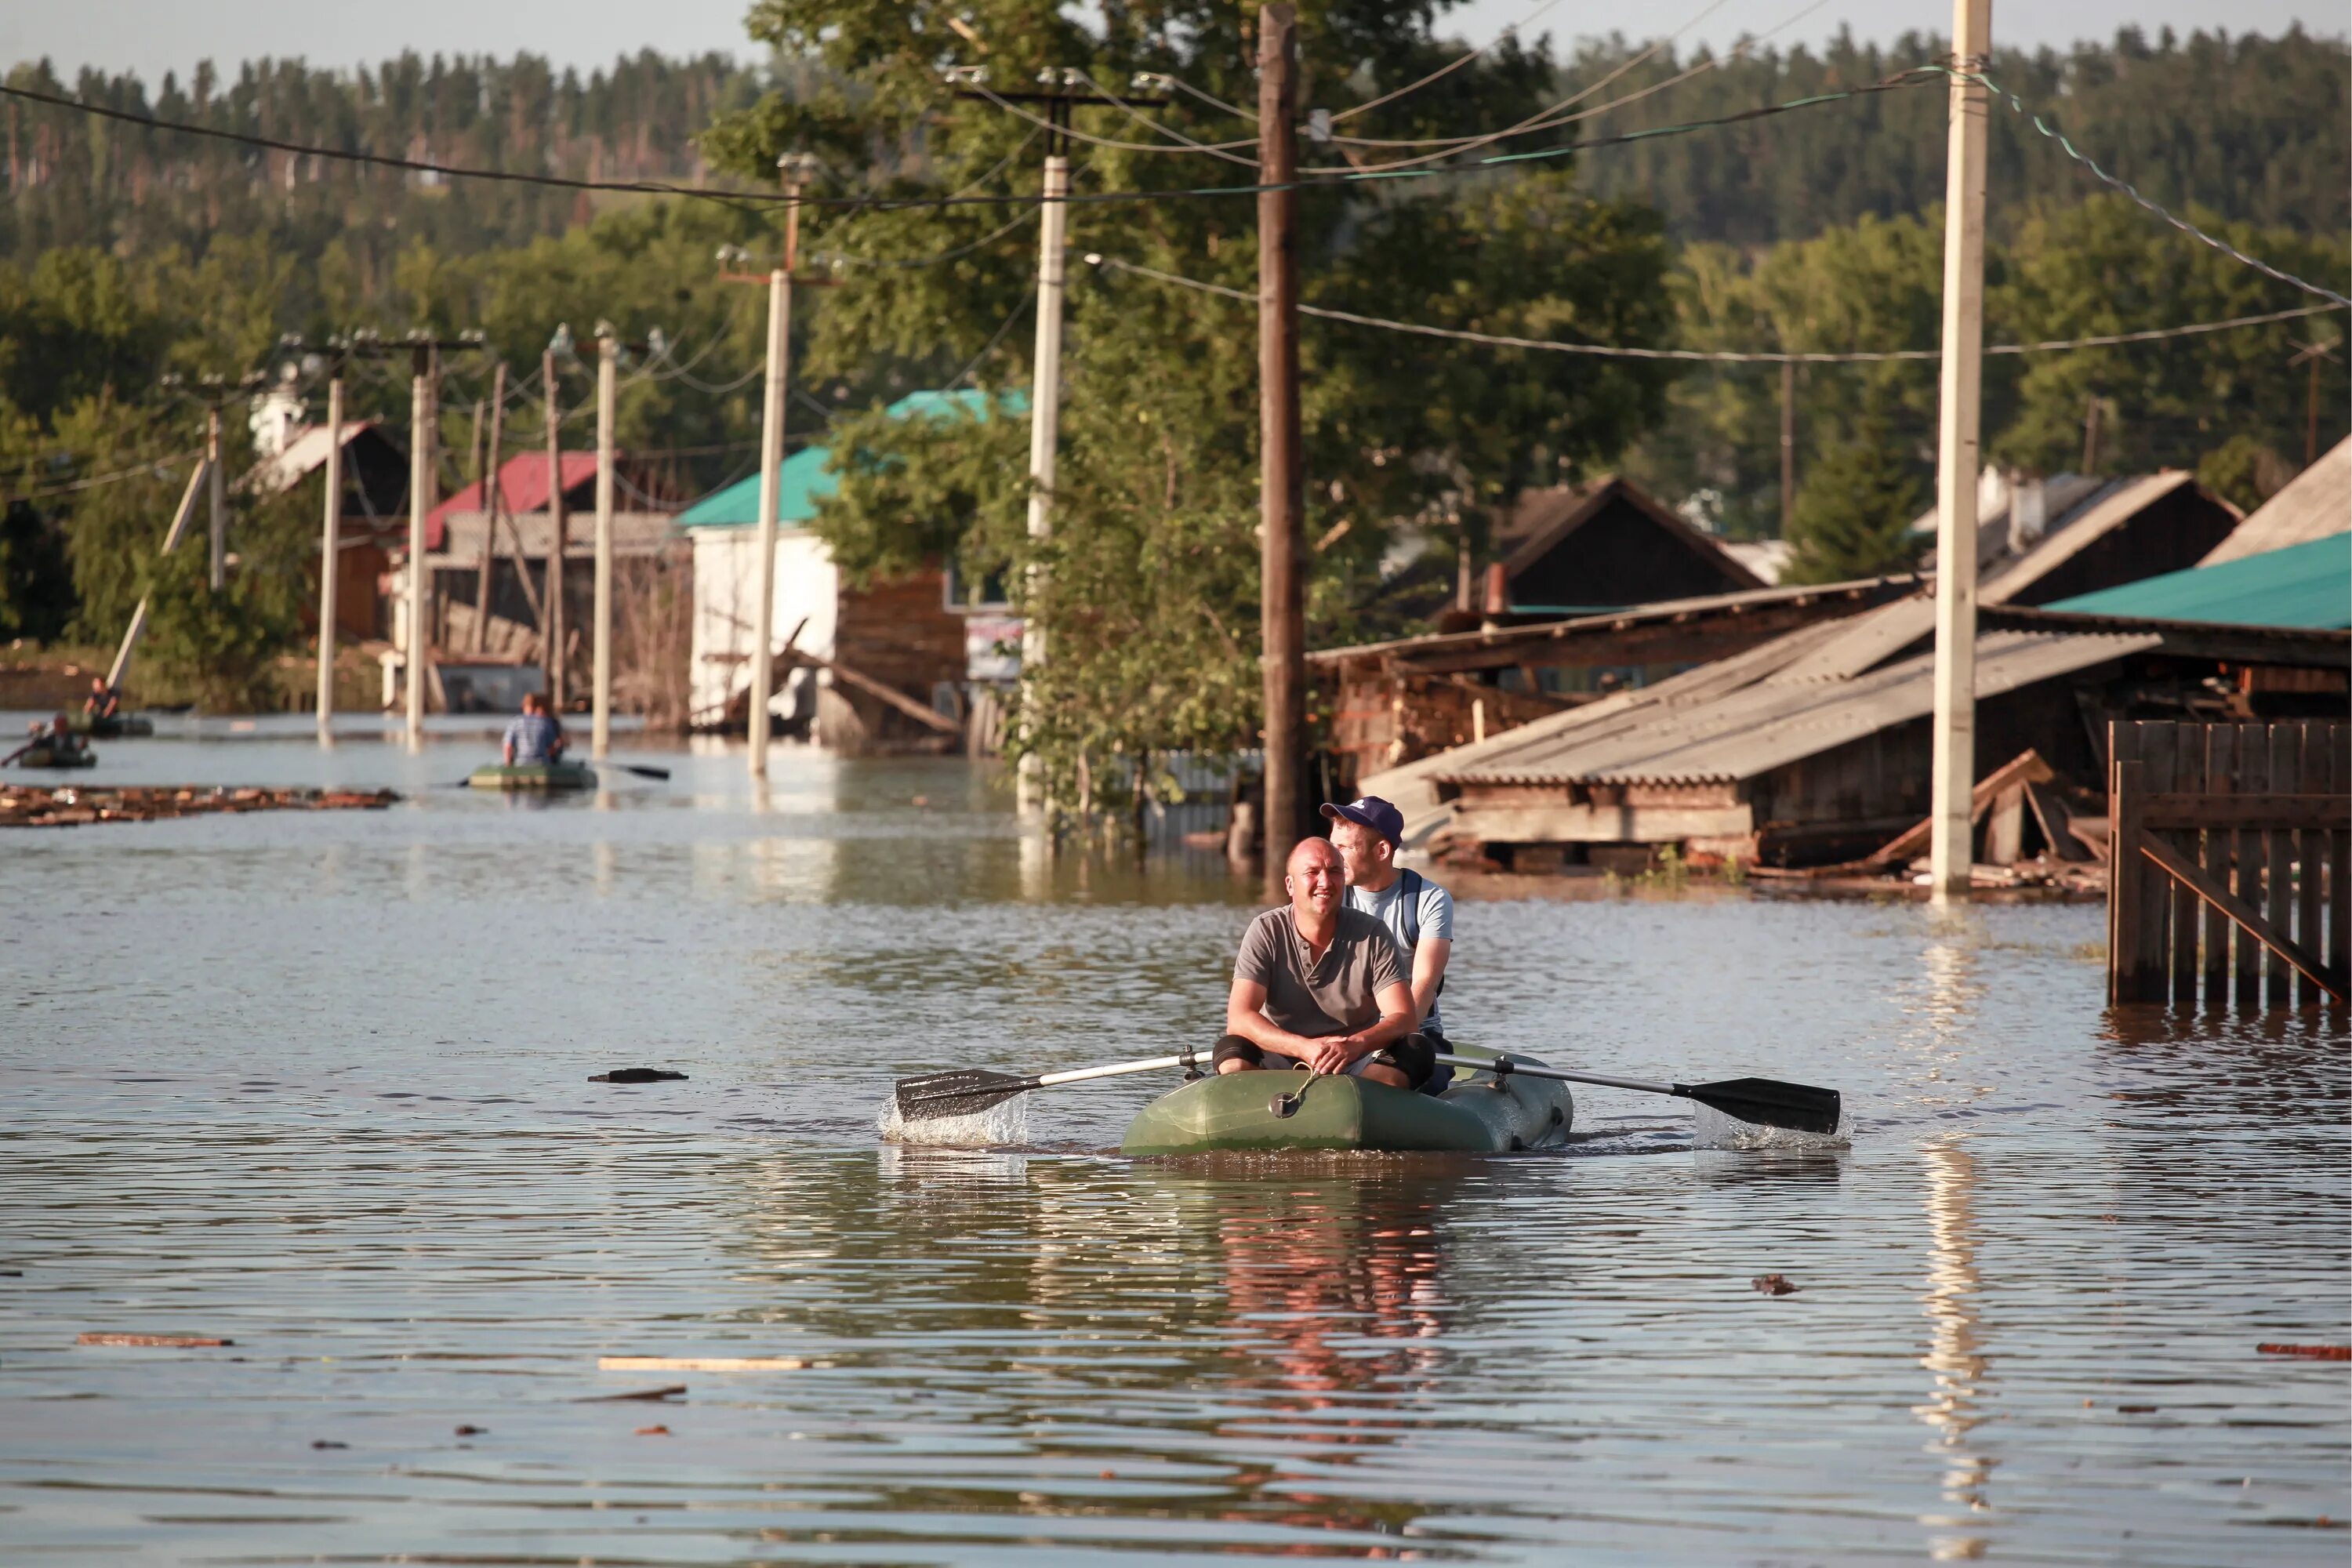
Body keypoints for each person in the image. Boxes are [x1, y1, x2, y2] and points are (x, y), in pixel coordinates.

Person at [1214, 837, 1433, 1092]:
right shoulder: (1265, 930)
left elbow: (1404, 1019)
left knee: (1417, 1048)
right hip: (1280, 1057)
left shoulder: (1373, 933)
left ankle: (1358, 1104)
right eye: (1312, 872)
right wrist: (1303, 1047)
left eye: (1335, 872)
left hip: (1355, 1060)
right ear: (1290, 885)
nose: (1325, 882)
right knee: (1231, 1053)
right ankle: (1259, 1111)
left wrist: (1355, 1044)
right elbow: (1239, 1019)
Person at [1321, 794, 1457, 1095]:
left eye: (1343, 848)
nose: (1332, 858)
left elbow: (1423, 985)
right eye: (1332, 846)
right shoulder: (1326, 896)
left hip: (1411, 1035)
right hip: (1337, 1036)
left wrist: (1368, 1041)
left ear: (1381, 850)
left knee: (1411, 1051)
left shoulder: (1428, 900)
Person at [502, 690, 568, 766]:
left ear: (523, 706)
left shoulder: (515, 722)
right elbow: (553, 747)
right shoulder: (547, 722)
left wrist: (508, 765)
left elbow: (508, 747)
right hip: (542, 763)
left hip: (521, 762)